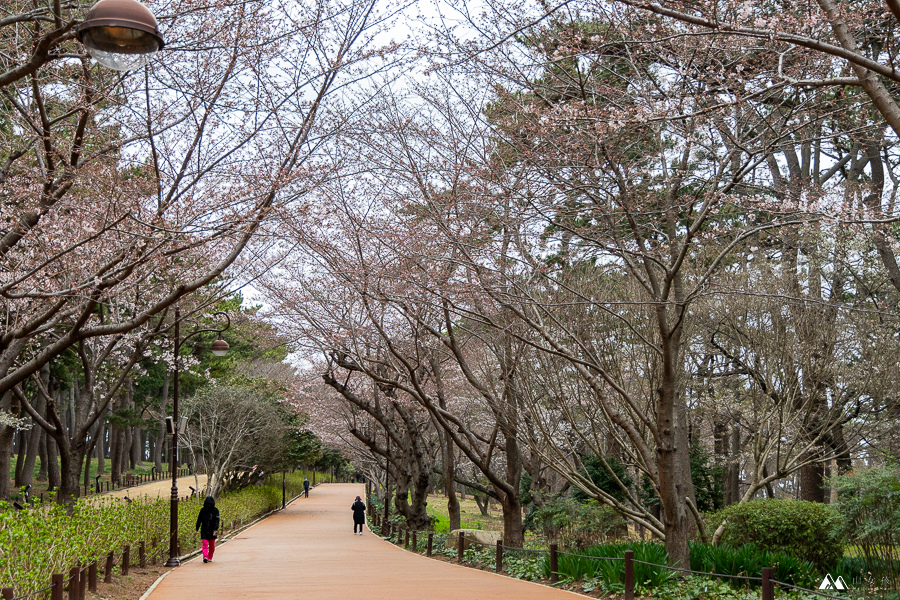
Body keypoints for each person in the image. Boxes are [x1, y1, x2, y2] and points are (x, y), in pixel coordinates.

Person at [196, 496, 220, 563]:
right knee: (205, 544)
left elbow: (217, 521)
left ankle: (210, 557)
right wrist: (197, 527)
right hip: (204, 530)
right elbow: (199, 519)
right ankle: (205, 557)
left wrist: (216, 529)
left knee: (212, 545)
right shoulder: (202, 510)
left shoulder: (216, 510)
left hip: (214, 530)